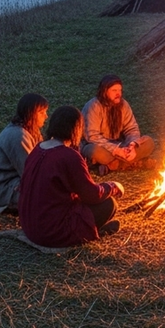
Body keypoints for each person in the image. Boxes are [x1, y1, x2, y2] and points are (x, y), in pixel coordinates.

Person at [18, 105, 124, 248]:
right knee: (109, 204)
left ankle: (91, 229)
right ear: (76, 129)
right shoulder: (68, 156)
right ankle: (89, 232)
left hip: (29, 226)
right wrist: (112, 186)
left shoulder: (38, 149)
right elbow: (92, 195)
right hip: (51, 233)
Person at [81, 74, 156, 173]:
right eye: (114, 90)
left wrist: (132, 145)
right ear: (104, 91)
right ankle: (132, 163)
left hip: (121, 145)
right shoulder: (93, 106)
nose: (118, 94)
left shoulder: (124, 105)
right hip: (101, 147)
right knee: (93, 151)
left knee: (149, 142)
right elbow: (92, 136)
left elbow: (131, 128)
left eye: (120, 90)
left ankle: (113, 165)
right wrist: (115, 150)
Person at [0, 93, 48, 210]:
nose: (46, 116)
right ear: (31, 114)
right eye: (41, 113)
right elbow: (30, 172)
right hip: (4, 189)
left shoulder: (33, 131)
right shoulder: (18, 136)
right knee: (50, 197)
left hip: (17, 180)